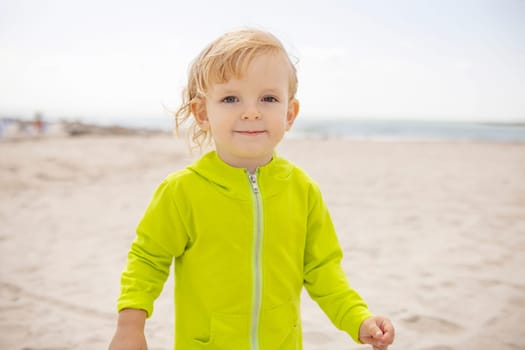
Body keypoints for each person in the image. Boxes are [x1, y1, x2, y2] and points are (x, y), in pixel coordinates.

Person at [109, 28, 395, 350]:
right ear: (202, 113)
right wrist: (130, 326)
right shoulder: (182, 191)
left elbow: (323, 269)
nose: (251, 111)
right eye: (231, 98)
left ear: (289, 114)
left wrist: (358, 318)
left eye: (268, 98)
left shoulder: (302, 190)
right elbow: (148, 259)